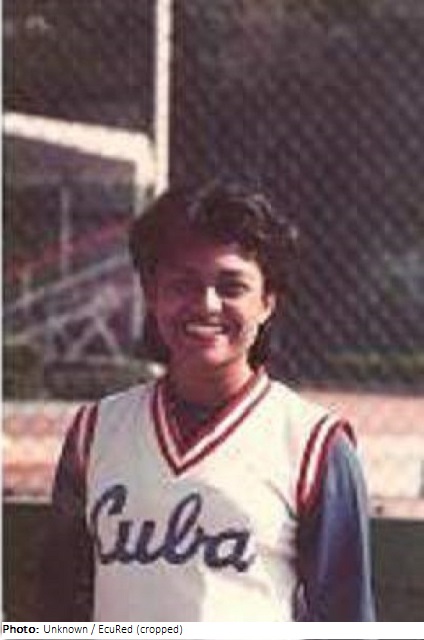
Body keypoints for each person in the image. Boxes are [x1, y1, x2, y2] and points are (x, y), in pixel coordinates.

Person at [38, 182, 375, 621]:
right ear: (152, 294)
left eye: (232, 286)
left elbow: (347, 619)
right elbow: (59, 607)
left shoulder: (315, 446)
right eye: (183, 284)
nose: (207, 305)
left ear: (267, 301)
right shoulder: (96, 432)